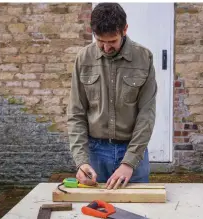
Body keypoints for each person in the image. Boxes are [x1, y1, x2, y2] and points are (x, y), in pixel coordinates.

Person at [67, 3, 157, 190]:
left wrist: (129, 163)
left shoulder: (144, 58)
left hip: (133, 151)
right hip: (95, 154)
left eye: (112, 41)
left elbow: (146, 115)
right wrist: (81, 161)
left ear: (124, 30)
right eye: (100, 41)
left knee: (137, 211)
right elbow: (76, 114)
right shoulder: (83, 59)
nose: (106, 48)